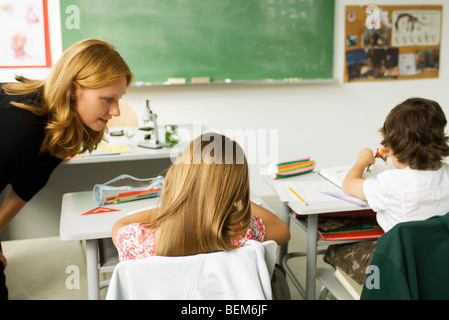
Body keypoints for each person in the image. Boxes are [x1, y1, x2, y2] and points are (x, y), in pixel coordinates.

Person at [0, 38, 133, 299]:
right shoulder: (19, 125)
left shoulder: (63, 129)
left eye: (118, 99)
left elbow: (24, 189)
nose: (116, 111)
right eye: (107, 99)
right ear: (73, 90)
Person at [325, 97, 449, 286]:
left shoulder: (391, 183)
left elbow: (349, 184)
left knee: (335, 250)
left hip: (400, 270)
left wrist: (362, 160)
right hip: (440, 266)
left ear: (393, 147)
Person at [112, 133, 290, 260]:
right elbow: (282, 230)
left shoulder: (138, 240)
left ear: (179, 175)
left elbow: (120, 224)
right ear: (237, 189)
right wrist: (236, 195)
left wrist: (176, 206)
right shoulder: (245, 233)